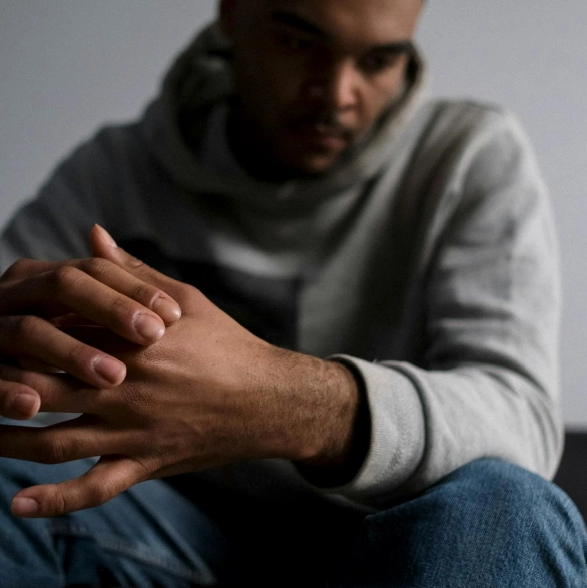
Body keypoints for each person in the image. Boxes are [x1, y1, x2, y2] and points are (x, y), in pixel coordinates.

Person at [0, 0, 585, 586]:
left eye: (379, 61)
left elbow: (520, 422)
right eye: (299, 44)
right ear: (232, 14)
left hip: (391, 552)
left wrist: (277, 403)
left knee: (506, 507)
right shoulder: (120, 169)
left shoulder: (465, 158)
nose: (336, 95)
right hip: (175, 543)